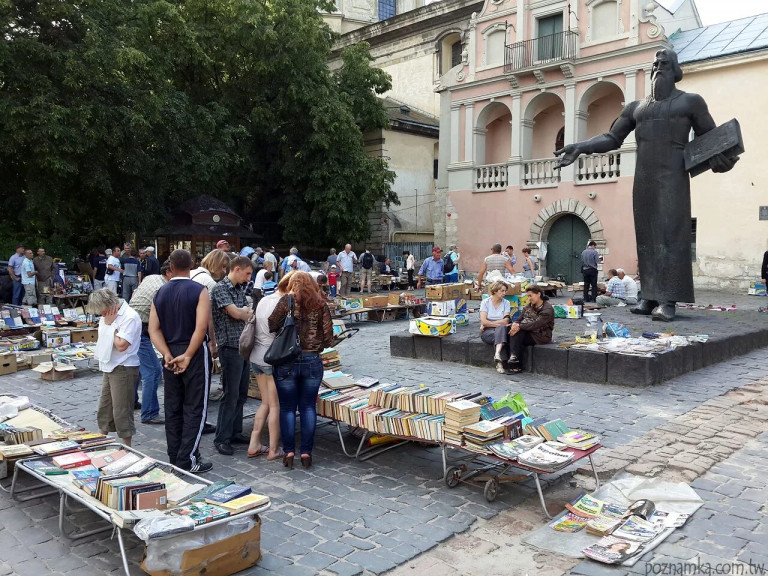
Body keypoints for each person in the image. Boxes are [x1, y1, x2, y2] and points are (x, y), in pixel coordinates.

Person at [556, 49, 737, 321]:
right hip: (644, 176)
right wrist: (580, 147)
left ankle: (668, 300)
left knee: (671, 236)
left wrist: (725, 161)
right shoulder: (636, 107)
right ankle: (649, 296)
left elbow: (712, 140)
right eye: (655, 64)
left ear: (676, 70)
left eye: (665, 64)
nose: (659, 67)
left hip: (674, 174)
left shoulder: (691, 102)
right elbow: (611, 137)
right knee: (647, 237)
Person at [149, 249, 213, 473]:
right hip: (192, 351)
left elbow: (153, 329)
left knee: (173, 406)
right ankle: (186, 459)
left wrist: (165, 352)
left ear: (171, 267)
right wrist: (187, 355)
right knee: (195, 407)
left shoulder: (160, 292)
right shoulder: (199, 290)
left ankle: (174, 454)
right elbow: (201, 327)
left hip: (170, 351)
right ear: (192, 264)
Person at [268, 271, 334, 469]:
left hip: (286, 360)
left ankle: (289, 451)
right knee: (308, 407)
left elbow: (271, 325)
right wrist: (316, 344)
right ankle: (306, 452)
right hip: (312, 359)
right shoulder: (321, 303)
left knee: (287, 408)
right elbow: (329, 337)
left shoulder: (286, 301)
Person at [247, 273, 294, 461]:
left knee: (265, 403)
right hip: (271, 357)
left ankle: (254, 443)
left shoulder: (264, 300)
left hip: (256, 356)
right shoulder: (282, 303)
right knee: (275, 405)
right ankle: (274, 449)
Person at [211, 256, 254, 456]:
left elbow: (246, 312)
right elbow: (237, 313)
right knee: (230, 394)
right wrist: (243, 312)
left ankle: (235, 431)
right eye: (247, 273)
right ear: (237, 269)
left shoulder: (238, 289)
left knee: (241, 393)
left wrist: (243, 312)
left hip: (242, 346)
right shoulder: (221, 288)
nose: (248, 278)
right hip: (229, 347)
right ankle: (222, 437)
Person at [87, 289, 141, 446]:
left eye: (102, 312)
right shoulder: (109, 316)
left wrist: (112, 325)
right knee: (105, 406)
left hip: (124, 366)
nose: (102, 316)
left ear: (110, 305)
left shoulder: (129, 316)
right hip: (109, 365)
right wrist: (109, 323)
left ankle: (126, 447)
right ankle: (101, 440)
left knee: (122, 410)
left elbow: (121, 345)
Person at [128, 260, 173, 424]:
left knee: (138, 368)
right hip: (139, 328)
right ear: (169, 273)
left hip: (131, 324)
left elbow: (135, 294)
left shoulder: (151, 277)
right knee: (153, 372)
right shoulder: (164, 288)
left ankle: (132, 402)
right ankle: (149, 413)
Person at [506, 285, 554, 374]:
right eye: (528, 296)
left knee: (518, 332)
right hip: (528, 331)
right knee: (508, 331)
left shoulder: (547, 309)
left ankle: (514, 360)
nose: (529, 298)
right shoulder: (529, 306)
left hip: (541, 335)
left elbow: (536, 325)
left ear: (538, 294)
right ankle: (512, 359)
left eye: (530, 296)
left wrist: (519, 326)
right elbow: (520, 318)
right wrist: (515, 324)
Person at [479, 281, 511, 374]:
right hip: (488, 331)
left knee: (501, 330)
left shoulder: (506, 303)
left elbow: (506, 321)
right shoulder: (485, 302)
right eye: (502, 291)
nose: (504, 293)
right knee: (501, 334)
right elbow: (483, 321)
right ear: (495, 291)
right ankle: (502, 361)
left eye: (505, 291)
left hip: (500, 329)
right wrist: (486, 324)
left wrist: (488, 323)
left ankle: (498, 359)